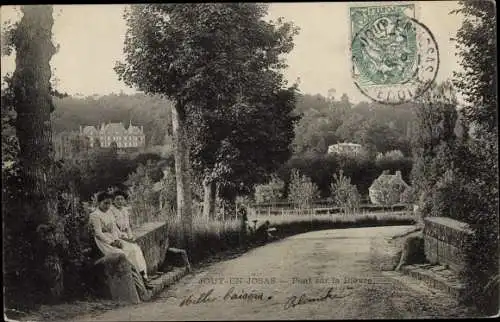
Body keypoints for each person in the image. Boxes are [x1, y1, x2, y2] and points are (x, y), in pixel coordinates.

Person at [89, 191, 151, 287]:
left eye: (109, 203)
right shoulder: (95, 215)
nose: (107, 206)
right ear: (99, 203)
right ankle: (135, 282)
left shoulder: (109, 212)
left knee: (133, 249)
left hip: (114, 238)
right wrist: (111, 242)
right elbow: (98, 233)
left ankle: (142, 276)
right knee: (123, 254)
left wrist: (119, 239)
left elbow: (114, 229)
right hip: (103, 241)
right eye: (105, 203)